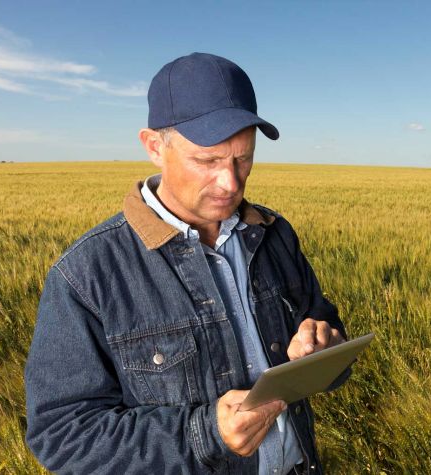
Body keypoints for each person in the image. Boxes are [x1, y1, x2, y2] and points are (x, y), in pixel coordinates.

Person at [24, 52, 352, 474]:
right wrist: (204, 433)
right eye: (208, 161)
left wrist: (325, 344)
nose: (231, 182)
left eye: (243, 158)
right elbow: (63, 436)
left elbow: (323, 326)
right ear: (155, 147)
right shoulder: (87, 274)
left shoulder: (274, 234)